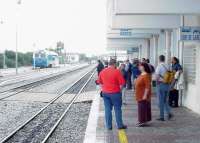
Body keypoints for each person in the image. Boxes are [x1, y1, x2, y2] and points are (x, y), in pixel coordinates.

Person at [97, 59, 127, 130]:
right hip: (115, 93)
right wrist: (119, 91)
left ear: (109, 64)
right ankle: (120, 125)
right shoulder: (117, 72)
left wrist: (103, 88)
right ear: (115, 64)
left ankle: (109, 126)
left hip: (105, 94)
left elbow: (99, 82)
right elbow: (122, 84)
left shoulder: (102, 71)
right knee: (117, 109)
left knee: (107, 109)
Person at [155, 55, 173, 121]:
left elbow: (157, 77)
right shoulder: (168, 66)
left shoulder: (159, 66)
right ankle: (169, 113)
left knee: (160, 101)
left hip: (161, 85)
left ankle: (161, 117)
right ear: (164, 59)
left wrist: (156, 84)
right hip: (167, 85)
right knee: (165, 100)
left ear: (159, 59)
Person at [135, 62, 152, 127]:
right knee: (143, 107)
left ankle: (142, 121)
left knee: (142, 108)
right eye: (139, 66)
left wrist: (145, 95)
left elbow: (147, 86)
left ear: (144, 67)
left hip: (142, 95)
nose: (139, 67)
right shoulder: (142, 74)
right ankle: (144, 120)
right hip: (139, 94)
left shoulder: (146, 75)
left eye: (140, 66)